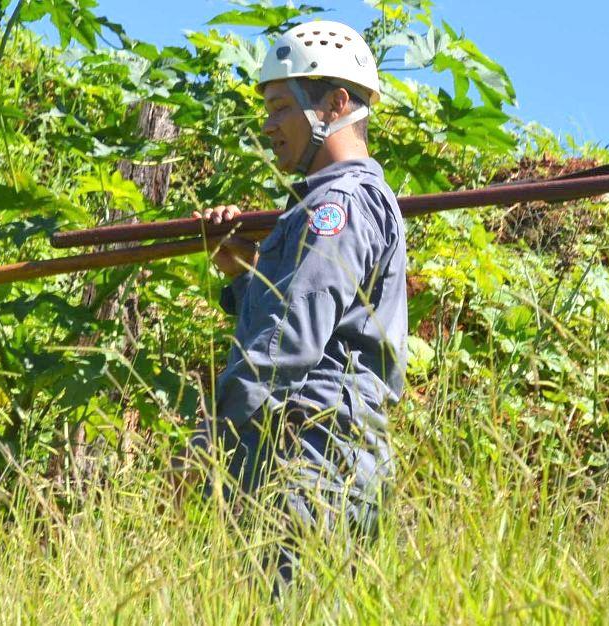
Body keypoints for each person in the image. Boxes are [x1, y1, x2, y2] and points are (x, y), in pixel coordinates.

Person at [183, 20, 408, 583]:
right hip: (320, 458)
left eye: (280, 107)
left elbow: (288, 341)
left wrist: (211, 436)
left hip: (314, 459)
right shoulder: (318, 207)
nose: (269, 126)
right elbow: (306, 315)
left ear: (335, 104)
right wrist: (242, 276)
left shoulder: (337, 205)